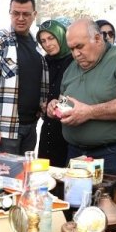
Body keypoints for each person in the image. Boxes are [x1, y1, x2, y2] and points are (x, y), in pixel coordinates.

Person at [47, 18, 116, 175]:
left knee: (110, 199)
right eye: (72, 49)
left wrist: (88, 112)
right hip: (76, 153)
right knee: (76, 199)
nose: (76, 54)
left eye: (80, 46)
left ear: (98, 38)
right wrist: (55, 106)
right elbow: (65, 102)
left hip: (114, 153)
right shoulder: (71, 68)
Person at [0, 0, 48, 154]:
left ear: (34, 15)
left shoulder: (37, 45)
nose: (20, 18)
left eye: (25, 14)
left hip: (31, 126)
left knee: (26, 177)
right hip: (6, 129)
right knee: (5, 177)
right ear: (10, 12)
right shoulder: (0, 40)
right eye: (16, 13)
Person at [37, 18, 72, 167]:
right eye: (43, 41)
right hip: (48, 129)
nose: (47, 44)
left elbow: (78, 96)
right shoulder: (45, 61)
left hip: (67, 131)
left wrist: (57, 109)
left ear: (61, 36)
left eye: (51, 38)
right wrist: (42, 105)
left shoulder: (74, 61)